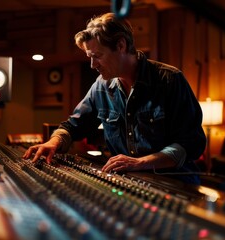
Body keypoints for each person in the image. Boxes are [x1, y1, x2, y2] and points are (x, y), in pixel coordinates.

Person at [23, 12, 206, 184]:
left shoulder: (169, 80)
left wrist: (141, 162)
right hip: (127, 182)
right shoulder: (101, 86)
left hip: (175, 184)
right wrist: (54, 142)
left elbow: (191, 144)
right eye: (90, 57)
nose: (93, 65)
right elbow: (73, 126)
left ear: (121, 45)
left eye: (98, 56)